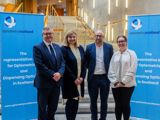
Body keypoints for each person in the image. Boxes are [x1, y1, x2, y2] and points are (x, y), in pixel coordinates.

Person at [33, 27, 65, 120]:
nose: (48, 35)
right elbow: (39, 65)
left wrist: (59, 73)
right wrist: (53, 75)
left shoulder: (57, 47)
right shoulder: (37, 47)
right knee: (42, 110)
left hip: (56, 84)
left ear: (53, 34)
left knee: (53, 109)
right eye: (46, 34)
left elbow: (62, 63)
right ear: (42, 35)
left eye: (50, 33)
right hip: (44, 84)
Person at [108, 35, 137, 120]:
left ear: (126, 42)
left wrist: (123, 82)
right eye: (119, 41)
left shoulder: (132, 53)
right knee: (118, 105)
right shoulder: (115, 55)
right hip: (115, 85)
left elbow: (133, 69)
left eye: (122, 41)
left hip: (128, 85)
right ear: (117, 43)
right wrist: (115, 82)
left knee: (125, 104)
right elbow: (111, 69)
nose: (121, 43)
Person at [85, 30, 113, 120]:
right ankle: (94, 118)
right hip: (93, 78)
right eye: (97, 35)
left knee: (104, 101)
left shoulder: (109, 47)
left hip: (105, 77)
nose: (98, 37)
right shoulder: (89, 47)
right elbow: (86, 62)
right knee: (93, 101)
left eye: (100, 36)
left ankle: (103, 118)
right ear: (94, 36)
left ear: (103, 37)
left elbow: (112, 62)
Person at [61, 30, 86, 120]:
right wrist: (74, 78)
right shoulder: (63, 49)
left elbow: (84, 64)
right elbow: (64, 65)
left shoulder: (80, 48)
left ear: (76, 38)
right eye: (70, 37)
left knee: (76, 102)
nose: (72, 39)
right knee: (70, 102)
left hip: (79, 80)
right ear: (67, 38)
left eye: (74, 37)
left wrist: (82, 77)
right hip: (69, 80)